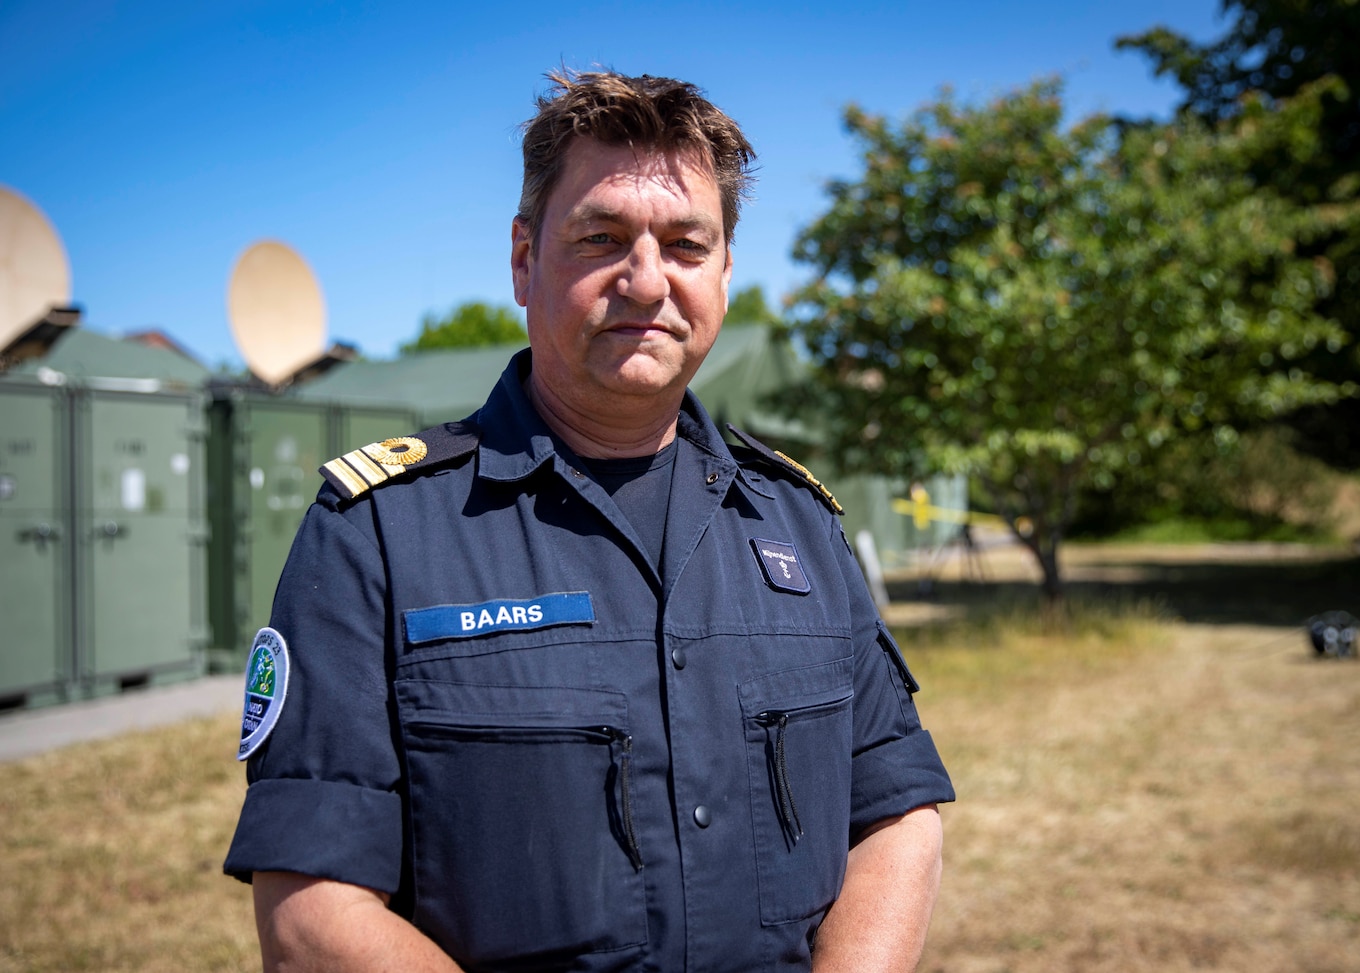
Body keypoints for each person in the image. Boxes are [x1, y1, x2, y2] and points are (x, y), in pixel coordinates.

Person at [224, 69, 955, 972]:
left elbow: (895, 810)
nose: (648, 281)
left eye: (687, 244)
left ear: (725, 271)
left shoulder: (800, 523)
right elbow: (310, 909)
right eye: (602, 237)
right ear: (525, 259)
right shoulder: (376, 536)